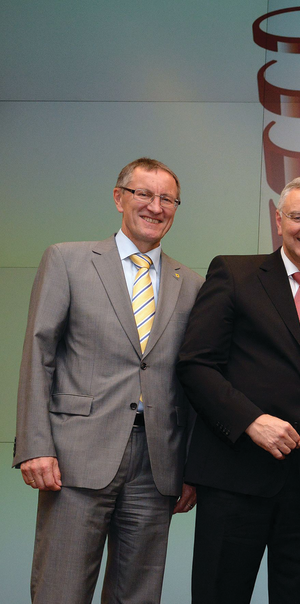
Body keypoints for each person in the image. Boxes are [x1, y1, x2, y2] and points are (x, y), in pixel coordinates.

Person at [13, 157, 203, 603]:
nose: (155, 207)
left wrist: (190, 467)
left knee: (137, 593)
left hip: (158, 465)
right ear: (119, 198)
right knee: (61, 588)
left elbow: (193, 379)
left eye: (167, 199)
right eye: (144, 194)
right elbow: (38, 354)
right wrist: (35, 444)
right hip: (76, 456)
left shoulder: (191, 283)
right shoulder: (68, 259)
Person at [176, 176, 300, 603]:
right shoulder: (234, 273)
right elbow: (196, 363)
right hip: (234, 475)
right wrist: (250, 421)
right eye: (298, 217)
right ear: (279, 221)